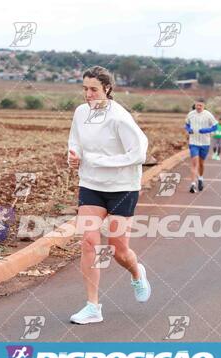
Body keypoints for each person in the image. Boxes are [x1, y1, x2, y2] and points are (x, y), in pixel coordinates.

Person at [67, 66, 151, 324]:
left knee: (118, 250)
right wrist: (73, 156)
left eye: (93, 89)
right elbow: (75, 141)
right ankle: (93, 306)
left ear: (107, 89)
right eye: (85, 89)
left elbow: (139, 154)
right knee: (89, 242)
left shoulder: (119, 117)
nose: (88, 94)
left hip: (122, 187)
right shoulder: (81, 113)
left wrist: (100, 161)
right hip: (91, 184)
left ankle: (137, 273)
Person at [184, 99, 218, 192]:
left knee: (201, 163)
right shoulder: (190, 114)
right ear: (195, 105)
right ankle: (193, 184)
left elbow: (215, 126)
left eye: (200, 105)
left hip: (205, 143)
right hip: (193, 142)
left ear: (204, 106)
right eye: (197, 105)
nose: (198, 107)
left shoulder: (208, 115)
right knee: (194, 162)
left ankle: (200, 178)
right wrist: (188, 129)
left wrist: (206, 130)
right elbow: (186, 125)